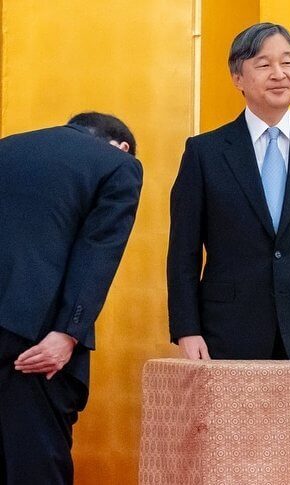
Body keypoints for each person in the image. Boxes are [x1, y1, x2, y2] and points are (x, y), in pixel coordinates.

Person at [167, 22, 290, 361]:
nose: (279, 73)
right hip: (227, 330)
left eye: (288, 62)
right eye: (263, 64)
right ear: (238, 78)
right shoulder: (205, 153)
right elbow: (183, 250)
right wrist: (187, 329)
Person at [0, 112, 142, 484]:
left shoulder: (8, 148)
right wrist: (68, 333)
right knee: (37, 464)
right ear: (122, 146)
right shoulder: (119, 165)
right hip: (33, 338)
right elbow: (98, 251)